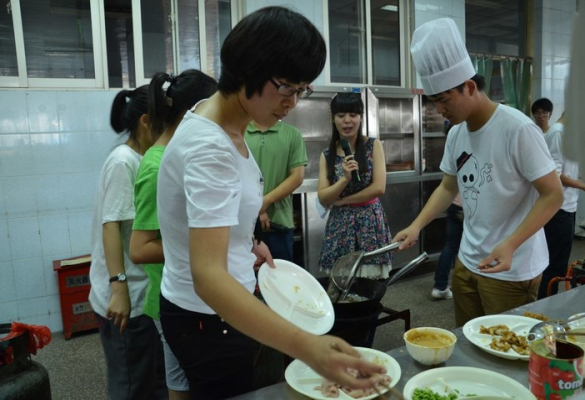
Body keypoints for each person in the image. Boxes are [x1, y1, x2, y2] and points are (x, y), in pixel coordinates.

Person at [155, 7, 386, 399]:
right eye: (287, 88)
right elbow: (207, 276)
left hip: (211, 308)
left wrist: (246, 244)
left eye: (301, 90)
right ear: (249, 71)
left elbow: (207, 220)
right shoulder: (210, 147)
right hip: (207, 315)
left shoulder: (221, 122)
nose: (293, 102)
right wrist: (307, 346)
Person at [394, 18, 563, 327]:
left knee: (505, 346)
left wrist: (511, 244)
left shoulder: (518, 129)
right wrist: (416, 226)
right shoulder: (457, 133)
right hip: (468, 260)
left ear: (470, 87)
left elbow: (553, 194)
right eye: (434, 102)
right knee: (468, 341)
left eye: (443, 100)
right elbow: (448, 187)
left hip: (510, 267)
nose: (439, 110)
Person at [129, 70, 217, 400]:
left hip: (186, 292)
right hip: (172, 299)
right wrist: (205, 247)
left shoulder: (177, 154)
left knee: (187, 382)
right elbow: (139, 248)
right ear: (195, 111)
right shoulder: (157, 165)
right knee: (183, 386)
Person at [88, 86, 165, 399]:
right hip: (125, 298)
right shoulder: (124, 161)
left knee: (149, 379)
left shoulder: (141, 158)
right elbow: (111, 226)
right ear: (145, 121)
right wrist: (119, 289)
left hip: (138, 290)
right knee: (131, 385)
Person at [317, 92, 392, 279]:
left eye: (353, 115)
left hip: (369, 220)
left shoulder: (373, 145)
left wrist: (344, 201)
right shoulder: (327, 154)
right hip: (340, 225)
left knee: (369, 280)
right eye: (341, 115)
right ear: (333, 118)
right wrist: (344, 179)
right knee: (341, 281)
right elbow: (323, 197)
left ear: (361, 117)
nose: (347, 121)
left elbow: (379, 187)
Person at [535, 110, 585, 299]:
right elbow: (554, 175)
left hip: (567, 208)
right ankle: (544, 306)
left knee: (558, 263)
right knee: (554, 266)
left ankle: (547, 303)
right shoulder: (558, 133)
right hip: (558, 209)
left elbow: (569, 171)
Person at [246, 119, 307, 262]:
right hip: (245, 225)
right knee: (246, 273)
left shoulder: (292, 134)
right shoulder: (240, 132)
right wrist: (258, 208)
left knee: (279, 272)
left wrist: (265, 202)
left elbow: (297, 177)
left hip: (279, 224)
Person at [432, 195, 463, 300]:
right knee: (470, 248)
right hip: (472, 207)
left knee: (450, 246)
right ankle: (463, 285)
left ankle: (440, 286)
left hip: (454, 204)